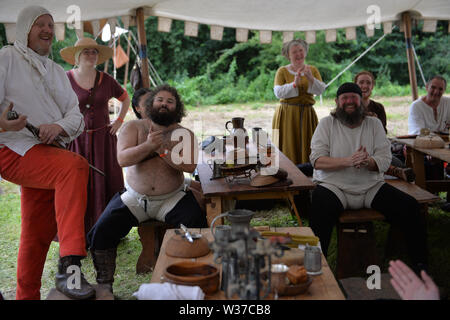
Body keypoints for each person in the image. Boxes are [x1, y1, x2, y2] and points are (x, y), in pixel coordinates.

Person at [0, 5, 94, 300]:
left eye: (51, 26)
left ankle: (25, 296)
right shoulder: (7, 57)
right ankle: (71, 268)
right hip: (13, 147)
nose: (47, 31)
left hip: (47, 154)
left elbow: (76, 117)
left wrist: (57, 127)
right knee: (75, 167)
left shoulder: (55, 70)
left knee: (36, 234)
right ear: (25, 28)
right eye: (40, 24)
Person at [87, 84, 207, 293]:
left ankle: (192, 281)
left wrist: (162, 150)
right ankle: (104, 286)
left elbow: (189, 166)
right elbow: (122, 159)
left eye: (170, 101)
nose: (164, 104)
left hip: (172, 198)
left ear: (177, 108)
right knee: (102, 231)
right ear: (150, 104)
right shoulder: (133, 128)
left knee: (197, 227)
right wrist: (148, 146)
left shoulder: (183, 133)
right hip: (134, 199)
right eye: (160, 99)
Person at [309, 82, 428, 274]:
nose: (349, 102)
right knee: (319, 207)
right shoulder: (326, 124)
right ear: (337, 102)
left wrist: (368, 162)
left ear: (361, 101)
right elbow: (316, 160)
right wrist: (348, 161)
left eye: (353, 98)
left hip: (370, 186)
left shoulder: (374, 124)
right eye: (344, 98)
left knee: (410, 207)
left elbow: (384, 157)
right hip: (335, 186)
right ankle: (314, 267)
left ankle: (421, 265)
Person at [60, 38, 130, 233]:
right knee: (78, 183)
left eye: (94, 52)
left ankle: (107, 229)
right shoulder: (65, 79)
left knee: (107, 182)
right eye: (86, 52)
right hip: (76, 141)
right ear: (77, 56)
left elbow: (125, 99)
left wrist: (119, 121)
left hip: (103, 141)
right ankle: (78, 230)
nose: (91, 55)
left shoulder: (106, 79)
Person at [272, 38, 326, 166]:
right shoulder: (282, 71)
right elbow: (278, 92)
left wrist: (311, 79)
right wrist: (294, 84)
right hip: (287, 114)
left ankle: (307, 173)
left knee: (308, 143)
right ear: (288, 55)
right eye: (294, 52)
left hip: (307, 113)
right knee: (288, 144)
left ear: (305, 52)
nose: (298, 54)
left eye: (301, 50)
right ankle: (287, 171)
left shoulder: (312, 70)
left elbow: (320, 90)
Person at [354, 70, 414, 181]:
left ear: (372, 86)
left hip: (376, 151)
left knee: (401, 165)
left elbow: (383, 135)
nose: (365, 86)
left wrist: (376, 124)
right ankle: (392, 170)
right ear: (355, 85)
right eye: (361, 82)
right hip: (354, 150)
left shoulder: (378, 108)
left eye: (368, 83)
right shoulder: (350, 106)